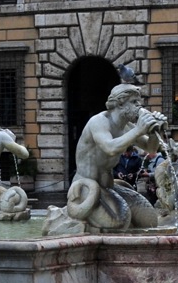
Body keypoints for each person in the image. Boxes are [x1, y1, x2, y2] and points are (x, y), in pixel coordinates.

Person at [65, 84, 165, 230]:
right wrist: (138, 130)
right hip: (87, 187)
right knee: (117, 223)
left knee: (149, 220)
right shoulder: (99, 122)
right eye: (134, 102)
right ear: (120, 103)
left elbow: (151, 148)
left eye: (139, 102)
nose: (139, 106)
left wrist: (155, 130)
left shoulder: (127, 127)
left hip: (108, 187)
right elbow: (110, 148)